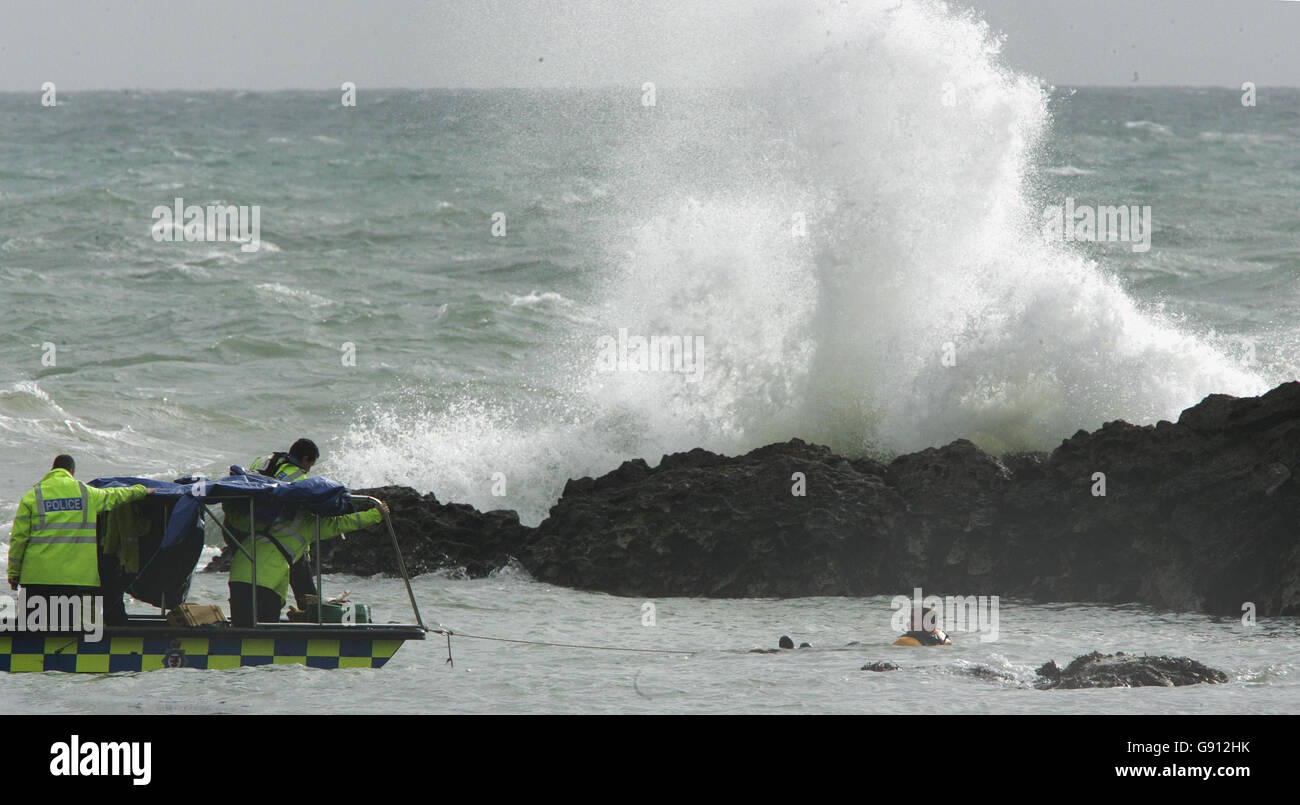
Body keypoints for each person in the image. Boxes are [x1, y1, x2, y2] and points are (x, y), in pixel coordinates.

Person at [7, 455, 154, 615]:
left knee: (33, 630)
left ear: (52, 469)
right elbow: (115, 495)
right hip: (75, 580)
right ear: (72, 472)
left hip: (36, 578)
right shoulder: (86, 493)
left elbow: (18, 539)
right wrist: (142, 491)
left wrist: (14, 574)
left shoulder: (32, 496)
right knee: (71, 632)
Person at [228, 499, 388, 627]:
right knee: (264, 631)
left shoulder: (267, 517)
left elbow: (234, 519)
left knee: (242, 627)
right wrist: (377, 513)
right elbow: (343, 523)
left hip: (238, 576)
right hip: (266, 582)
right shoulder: (308, 523)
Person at [224, 438, 321, 608]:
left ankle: (251, 614)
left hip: (242, 527)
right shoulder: (299, 477)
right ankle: (311, 614)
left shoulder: (264, 460)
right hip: (275, 535)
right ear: (306, 459)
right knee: (301, 581)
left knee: (251, 578)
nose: (308, 468)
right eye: (310, 464)